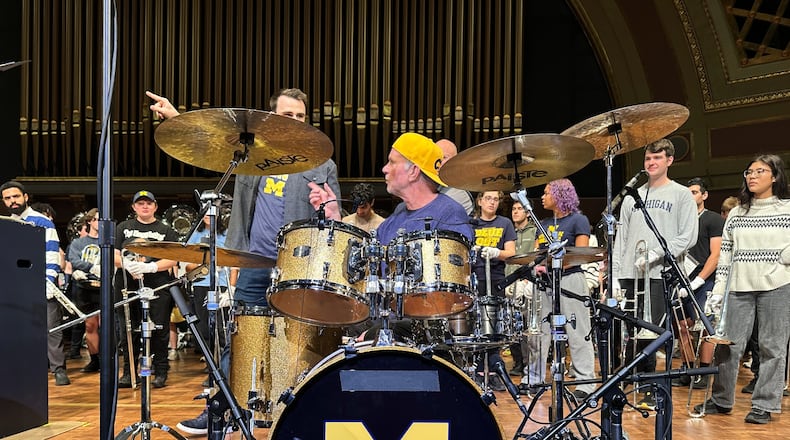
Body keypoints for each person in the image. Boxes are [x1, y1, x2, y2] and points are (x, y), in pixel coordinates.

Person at [149, 88, 344, 435]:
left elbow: (335, 218)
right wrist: (177, 118)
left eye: (300, 116)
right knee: (240, 342)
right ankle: (220, 411)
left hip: (297, 267)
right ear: (272, 118)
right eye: (287, 115)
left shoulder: (320, 163)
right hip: (255, 264)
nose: (295, 121)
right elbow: (209, 143)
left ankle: (300, 412)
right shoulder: (250, 156)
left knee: (299, 343)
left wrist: (328, 208)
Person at [343, 133, 474, 342]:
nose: (384, 168)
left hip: (424, 328)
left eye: (392, 162)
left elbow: (448, 296)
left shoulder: (449, 213)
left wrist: (377, 331)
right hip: (385, 317)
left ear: (413, 171)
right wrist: (334, 218)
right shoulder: (395, 218)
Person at [695, 154, 790, 424]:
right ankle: (722, 399)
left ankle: (765, 403)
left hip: (778, 285)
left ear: (774, 176)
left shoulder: (787, 208)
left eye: (760, 171)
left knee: (773, 346)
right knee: (727, 346)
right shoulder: (736, 213)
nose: (752, 176)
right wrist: (717, 292)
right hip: (739, 287)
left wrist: (783, 258)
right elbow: (725, 256)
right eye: (749, 171)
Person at [611, 139, 698, 410]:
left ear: (669, 161)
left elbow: (688, 236)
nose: (651, 163)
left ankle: (652, 387)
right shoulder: (630, 196)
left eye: (657, 158)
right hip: (629, 274)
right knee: (630, 334)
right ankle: (630, 382)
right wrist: (614, 274)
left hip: (660, 274)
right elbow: (621, 238)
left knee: (654, 333)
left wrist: (656, 254)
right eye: (648, 159)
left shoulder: (681, 194)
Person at [527, 179, 598, 400]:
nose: (542, 197)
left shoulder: (579, 220)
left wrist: (553, 264)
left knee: (578, 332)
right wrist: (538, 267)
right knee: (540, 333)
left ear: (559, 195)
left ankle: (585, 382)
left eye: (547, 193)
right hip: (546, 282)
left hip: (570, 279)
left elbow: (581, 253)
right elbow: (537, 254)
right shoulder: (544, 223)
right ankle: (535, 378)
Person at [1, 181, 70, 385]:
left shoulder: (42, 222)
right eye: (8, 198)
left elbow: (52, 254)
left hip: (41, 282)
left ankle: (58, 369)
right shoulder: (6, 223)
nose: (12, 201)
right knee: (18, 328)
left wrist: (47, 282)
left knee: (51, 327)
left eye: (16, 196)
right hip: (14, 285)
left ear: (25, 197)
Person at [114, 190, 180, 389]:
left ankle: (160, 371)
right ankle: (129, 372)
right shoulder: (122, 228)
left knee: (159, 329)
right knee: (128, 329)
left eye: (148, 203)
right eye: (140, 203)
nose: (145, 206)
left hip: (158, 284)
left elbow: (174, 258)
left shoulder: (166, 229)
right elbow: (112, 254)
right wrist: (127, 264)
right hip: (127, 284)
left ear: (155, 206)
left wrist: (150, 267)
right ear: (134, 207)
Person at [671, 178, 724, 389]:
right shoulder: (680, 222)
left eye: (694, 192)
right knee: (682, 325)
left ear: (704, 195)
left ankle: (703, 370)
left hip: (704, 280)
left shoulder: (713, 220)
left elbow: (716, 254)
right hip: (681, 279)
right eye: (687, 192)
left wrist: (700, 280)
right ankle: (687, 369)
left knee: (704, 326)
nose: (690, 196)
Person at [470, 190, 516, 391]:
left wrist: (497, 252)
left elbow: (511, 253)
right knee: (476, 326)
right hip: (474, 278)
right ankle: (479, 370)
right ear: (480, 201)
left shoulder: (504, 223)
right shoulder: (470, 224)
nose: (492, 202)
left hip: (496, 278)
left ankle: (494, 369)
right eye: (488, 198)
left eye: (496, 199)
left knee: (495, 326)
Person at [184, 214, 237, 367]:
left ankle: (225, 368)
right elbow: (188, 267)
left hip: (222, 285)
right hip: (201, 284)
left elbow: (234, 265)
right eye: (205, 211)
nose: (208, 215)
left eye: (211, 211)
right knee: (205, 329)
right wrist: (206, 263)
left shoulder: (227, 234)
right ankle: (211, 369)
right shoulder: (195, 234)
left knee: (222, 328)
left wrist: (231, 288)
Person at [68, 208, 103, 373]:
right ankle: (94, 359)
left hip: (104, 287)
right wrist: (91, 267)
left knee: (106, 325)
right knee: (90, 325)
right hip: (85, 289)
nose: (99, 222)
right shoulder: (78, 243)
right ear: (89, 221)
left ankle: (107, 358)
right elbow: (74, 259)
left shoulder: (107, 241)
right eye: (96, 219)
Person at [505, 200, 537, 376]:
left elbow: (536, 255)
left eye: (520, 209)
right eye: (513, 208)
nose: (516, 212)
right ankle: (517, 362)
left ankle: (528, 363)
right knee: (510, 325)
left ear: (528, 212)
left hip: (525, 283)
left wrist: (527, 280)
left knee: (525, 326)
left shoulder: (534, 231)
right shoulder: (509, 231)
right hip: (508, 282)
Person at [436, 139, 475, 216]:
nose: (439, 162)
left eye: (444, 157)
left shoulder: (458, 193)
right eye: (436, 157)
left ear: (455, 161)